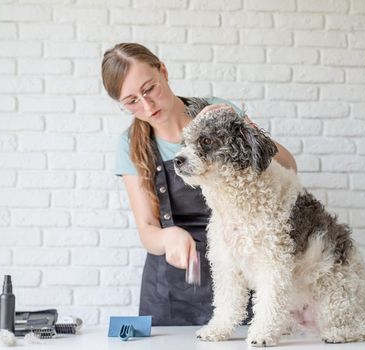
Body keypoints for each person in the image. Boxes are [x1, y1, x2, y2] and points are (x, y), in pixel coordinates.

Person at [101, 43, 297, 326]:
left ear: (163, 72)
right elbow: (147, 229)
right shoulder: (129, 146)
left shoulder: (217, 113)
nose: (146, 105)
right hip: (170, 290)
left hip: (241, 270)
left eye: (149, 89)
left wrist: (240, 126)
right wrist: (168, 238)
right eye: (131, 101)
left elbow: (289, 165)